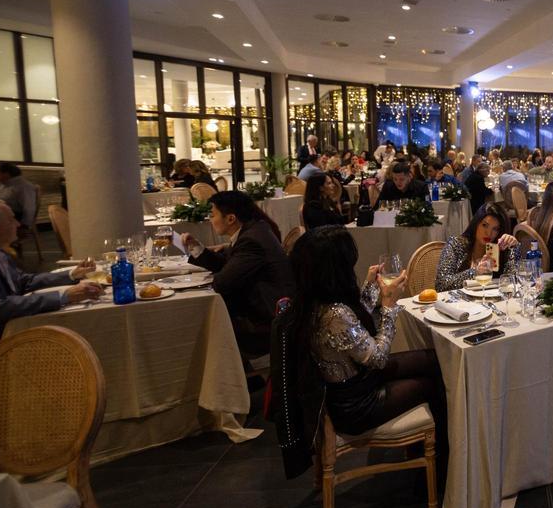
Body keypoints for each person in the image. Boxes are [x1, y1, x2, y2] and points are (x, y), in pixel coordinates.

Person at [278, 225, 447, 472]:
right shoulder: (333, 312)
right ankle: (438, 469)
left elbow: (351, 335)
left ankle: (426, 453)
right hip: (356, 405)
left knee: (434, 360)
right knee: (434, 383)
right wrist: (389, 306)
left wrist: (370, 289)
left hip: (352, 383)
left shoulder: (313, 300)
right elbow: (377, 357)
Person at [181, 191, 294, 356]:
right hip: (267, 312)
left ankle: (230, 376)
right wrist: (196, 248)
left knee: (198, 327)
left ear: (231, 218)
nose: (210, 220)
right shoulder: (254, 230)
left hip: (265, 322)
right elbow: (226, 266)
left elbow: (223, 282)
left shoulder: (251, 240)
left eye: (212, 215)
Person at [0, 200, 103, 346]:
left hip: (16, 327)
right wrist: (64, 296)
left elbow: (23, 282)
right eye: (11, 219)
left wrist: (72, 274)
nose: (18, 224)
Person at [434, 204, 520, 290]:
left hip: (491, 301)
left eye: (495, 229)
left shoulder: (500, 249)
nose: (488, 233)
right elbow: (441, 285)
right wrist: (475, 272)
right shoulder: (456, 244)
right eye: (484, 225)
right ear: (476, 224)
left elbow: (514, 283)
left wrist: (513, 249)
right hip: (459, 302)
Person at [0, 164, 38, 229]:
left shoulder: (23, 186)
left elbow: (29, 208)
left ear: (6, 174)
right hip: (0, 214)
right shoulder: (4, 185)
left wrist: (24, 226)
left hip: (14, 218)